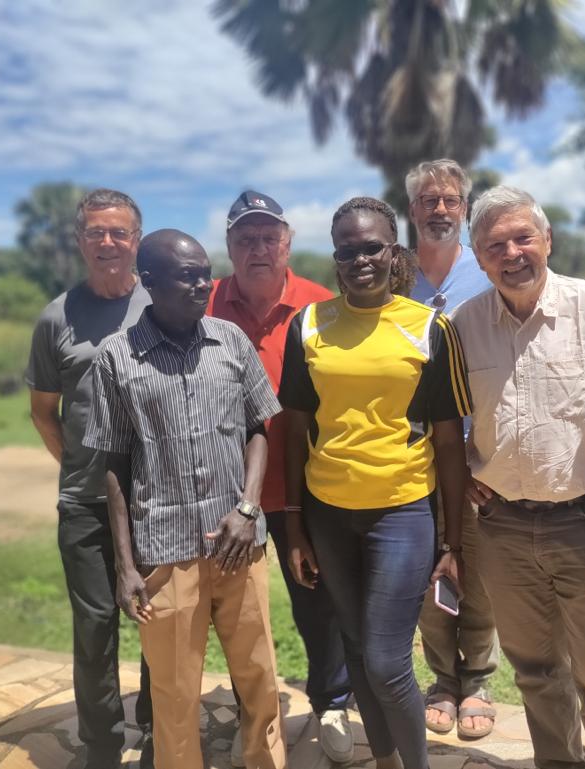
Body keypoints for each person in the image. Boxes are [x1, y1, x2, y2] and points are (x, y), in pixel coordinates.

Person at [451, 185, 585, 769]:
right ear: (479, 256)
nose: (512, 254)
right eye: (495, 245)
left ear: (547, 240)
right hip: (502, 526)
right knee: (536, 673)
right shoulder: (465, 324)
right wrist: (463, 464)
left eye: (523, 238)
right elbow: (446, 411)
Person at [83, 229, 287, 769]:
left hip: (239, 548)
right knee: (174, 695)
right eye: (187, 275)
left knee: (261, 679)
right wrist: (126, 567)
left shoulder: (231, 341)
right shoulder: (115, 359)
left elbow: (257, 429)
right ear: (149, 281)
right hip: (165, 555)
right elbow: (115, 467)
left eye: (205, 272)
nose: (203, 284)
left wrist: (248, 508)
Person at [280, 197, 471, 769]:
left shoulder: (430, 327)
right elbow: (292, 430)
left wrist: (453, 544)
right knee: (359, 651)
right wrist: (293, 525)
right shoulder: (309, 325)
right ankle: (384, 760)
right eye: (347, 250)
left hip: (401, 512)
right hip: (327, 513)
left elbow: (447, 442)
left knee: (388, 661)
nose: (359, 259)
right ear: (335, 257)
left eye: (372, 247)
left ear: (394, 252)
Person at [207, 190, 353, 764]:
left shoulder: (322, 306)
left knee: (316, 600)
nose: (258, 248)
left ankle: (332, 702)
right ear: (230, 248)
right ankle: (255, 709)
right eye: (246, 239)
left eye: (269, 237)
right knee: (234, 610)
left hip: (304, 487)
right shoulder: (204, 301)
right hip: (225, 492)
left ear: (288, 244)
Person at [25, 188, 153, 769]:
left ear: (136, 240)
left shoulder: (160, 305)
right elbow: (43, 412)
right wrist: (84, 472)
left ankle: (157, 723)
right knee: (95, 625)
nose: (107, 242)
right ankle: (102, 745)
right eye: (95, 232)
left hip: (156, 500)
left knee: (160, 619)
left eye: (118, 232)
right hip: (83, 503)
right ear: (80, 242)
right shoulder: (57, 318)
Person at [405, 158, 499, 739]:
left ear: (464, 209)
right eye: (428, 200)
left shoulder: (488, 273)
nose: (439, 209)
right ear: (411, 209)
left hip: (481, 455)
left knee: (479, 571)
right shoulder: (393, 277)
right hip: (412, 457)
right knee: (423, 572)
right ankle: (443, 677)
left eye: (449, 200)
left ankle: (480, 679)